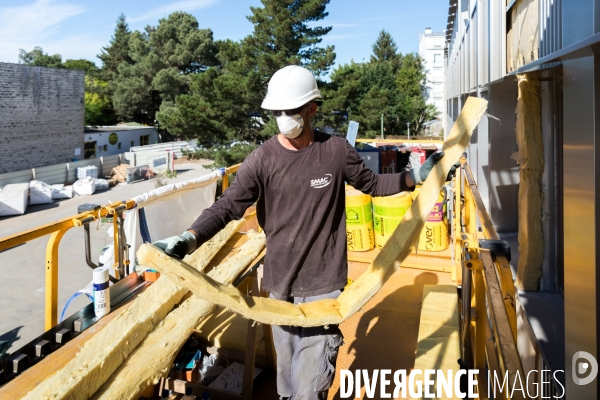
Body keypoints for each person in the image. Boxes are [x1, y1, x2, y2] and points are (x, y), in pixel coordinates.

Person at [154, 65, 450, 400]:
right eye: (278, 111)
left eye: (291, 110)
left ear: (312, 109)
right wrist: (189, 237)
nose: (284, 117)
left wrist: (414, 177)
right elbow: (228, 206)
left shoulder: (335, 151)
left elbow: (373, 184)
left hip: (324, 287)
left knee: (309, 386)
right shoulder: (262, 160)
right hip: (280, 287)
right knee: (288, 380)